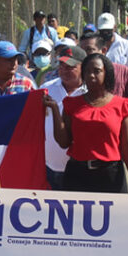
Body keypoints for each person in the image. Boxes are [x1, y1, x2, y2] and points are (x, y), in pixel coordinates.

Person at [43, 53, 128, 193]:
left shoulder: (123, 105)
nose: (91, 75)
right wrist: (54, 110)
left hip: (111, 176)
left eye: (97, 71)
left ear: (106, 73)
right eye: (87, 71)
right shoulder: (72, 104)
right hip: (78, 175)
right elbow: (64, 142)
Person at [80, 32, 128, 157]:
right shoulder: (76, 74)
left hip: (121, 150)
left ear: (104, 50)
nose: (85, 55)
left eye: (90, 50)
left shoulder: (124, 73)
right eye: (82, 50)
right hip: (87, 151)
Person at [40, 45, 88, 190]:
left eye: (70, 66)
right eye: (61, 65)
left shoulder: (91, 92)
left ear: (83, 67)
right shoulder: (46, 89)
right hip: (48, 167)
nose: (64, 70)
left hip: (80, 169)